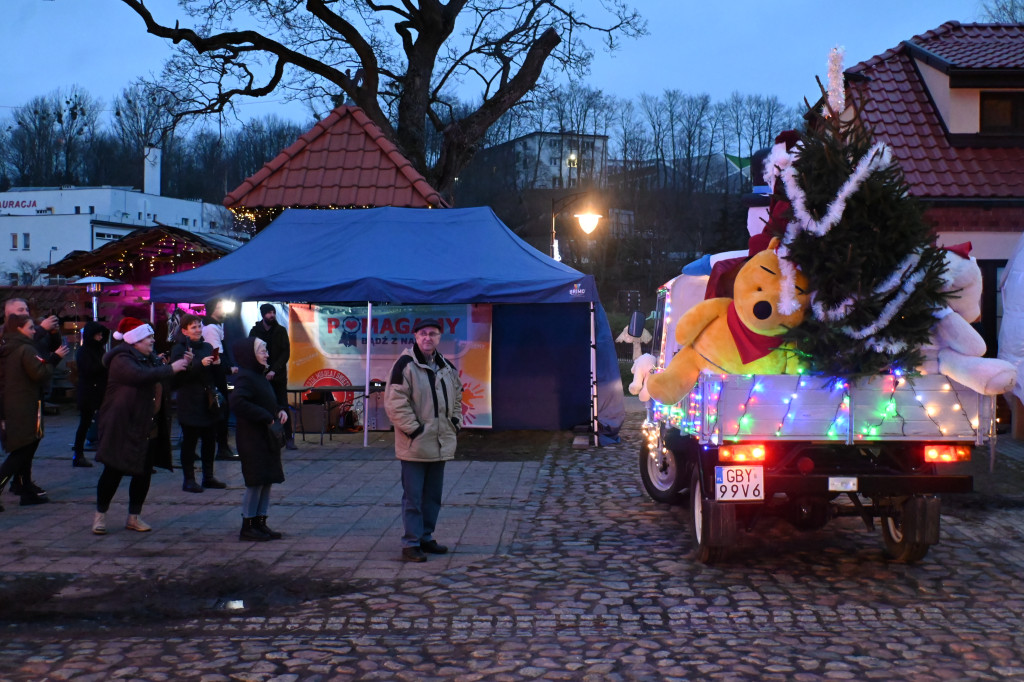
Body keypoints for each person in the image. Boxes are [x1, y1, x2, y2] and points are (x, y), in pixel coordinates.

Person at [92, 318, 189, 534]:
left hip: (147, 426)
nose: (153, 340)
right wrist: (171, 369)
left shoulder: (150, 358)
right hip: (123, 426)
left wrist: (184, 367)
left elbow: (164, 382)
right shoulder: (121, 359)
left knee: (143, 474)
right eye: (149, 337)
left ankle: (134, 517)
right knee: (113, 472)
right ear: (135, 340)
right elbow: (138, 376)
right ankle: (100, 516)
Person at [383, 318, 463, 562]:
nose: (428, 338)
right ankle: (411, 543)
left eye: (433, 333)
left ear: (440, 337)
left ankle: (426, 537)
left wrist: (455, 422)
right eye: (423, 334)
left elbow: (458, 396)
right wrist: (414, 431)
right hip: (415, 444)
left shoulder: (447, 367)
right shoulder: (405, 365)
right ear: (415, 337)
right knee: (413, 497)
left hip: (440, 444)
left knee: (432, 497)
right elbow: (395, 402)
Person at [0, 314, 70, 508]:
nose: (34, 331)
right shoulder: (25, 349)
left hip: (17, 405)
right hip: (26, 406)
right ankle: (20, 488)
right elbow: (39, 373)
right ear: (20, 329)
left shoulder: (9, 347)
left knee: (25, 449)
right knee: (23, 451)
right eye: (31, 327)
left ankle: (26, 491)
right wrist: (55, 358)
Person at [230, 337, 288, 541]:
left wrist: (279, 411)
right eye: (262, 351)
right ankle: (248, 524)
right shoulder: (246, 377)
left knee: (267, 480)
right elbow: (238, 403)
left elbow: (266, 400)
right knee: (255, 482)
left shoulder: (259, 375)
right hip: (252, 438)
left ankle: (260, 522)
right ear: (250, 354)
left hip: (265, 437)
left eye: (266, 350)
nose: (267, 354)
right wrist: (266, 416)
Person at [170, 314, 225, 492]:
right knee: (190, 442)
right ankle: (189, 479)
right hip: (189, 401)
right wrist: (199, 364)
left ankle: (208, 476)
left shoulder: (208, 346)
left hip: (207, 401)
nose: (198, 329)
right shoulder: (180, 349)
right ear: (185, 330)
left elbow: (214, 375)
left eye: (199, 326)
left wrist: (217, 364)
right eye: (193, 327)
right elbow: (179, 377)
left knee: (209, 440)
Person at [249, 303, 296, 450]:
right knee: (263, 405)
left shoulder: (280, 331)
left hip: (278, 376)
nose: (272, 315)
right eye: (269, 313)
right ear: (263, 315)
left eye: (273, 312)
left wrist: (274, 370)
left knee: (282, 404)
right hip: (261, 376)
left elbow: (285, 353)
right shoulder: (255, 331)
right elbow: (251, 350)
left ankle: (288, 438)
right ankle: (264, 437)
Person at [202, 298, 239, 460]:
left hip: (218, 373)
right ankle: (222, 448)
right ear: (212, 310)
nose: (223, 311)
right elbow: (216, 353)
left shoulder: (217, 325)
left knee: (221, 410)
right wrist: (228, 368)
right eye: (220, 308)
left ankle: (223, 447)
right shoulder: (210, 328)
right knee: (220, 410)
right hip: (215, 376)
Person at [72, 321, 109, 468]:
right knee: (85, 423)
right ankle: (78, 454)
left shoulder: (99, 350)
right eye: (98, 334)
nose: (100, 337)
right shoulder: (84, 351)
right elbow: (89, 370)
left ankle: (103, 452)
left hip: (100, 390)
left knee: (102, 422)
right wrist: (105, 365)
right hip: (88, 391)